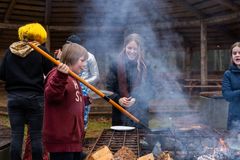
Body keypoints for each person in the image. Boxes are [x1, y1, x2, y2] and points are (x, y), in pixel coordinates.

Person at [0, 23, 53, 160]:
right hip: (35, 98)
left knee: (16, 135)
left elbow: (1, 74)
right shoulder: (41, 51)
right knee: (36, 136)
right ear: (40, 35)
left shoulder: (10, 51)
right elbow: (51, 73)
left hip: (14, 98)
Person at [43, 42, 90, 160]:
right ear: (72, 59)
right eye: (82, 60)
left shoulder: (73, 77)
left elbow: (69, 99)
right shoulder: (56, 75)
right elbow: (52, 96)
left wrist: (84, 100)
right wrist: (60, 76)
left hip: (73, 139)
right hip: (62, 140)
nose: (84, 65)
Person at [106, 33, 154, 128]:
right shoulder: (115, 64)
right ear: (125, 47)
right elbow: (109, 88)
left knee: (140, 141)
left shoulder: (146, 66)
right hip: (119, 111)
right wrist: (118, 99)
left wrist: (136, 98)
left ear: (140, 49)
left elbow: (152, 89)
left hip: (140, 112)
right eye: (129, 48)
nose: (132, 51)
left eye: (135, 49)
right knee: (120, 140)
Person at [65, 35, 99, 131]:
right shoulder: (66, 56)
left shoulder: (90, 57)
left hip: (84, 90)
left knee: (83, 116)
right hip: (69, 88)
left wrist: (82, 82)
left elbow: (96, 76)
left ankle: (81, 139)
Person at [222, 42, 240, 130]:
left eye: (239, 53)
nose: (237, 55)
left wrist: (235, 93)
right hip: (235, 118)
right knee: (234, 143)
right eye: (234, 53)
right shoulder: (228, 74)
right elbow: (227, 96)